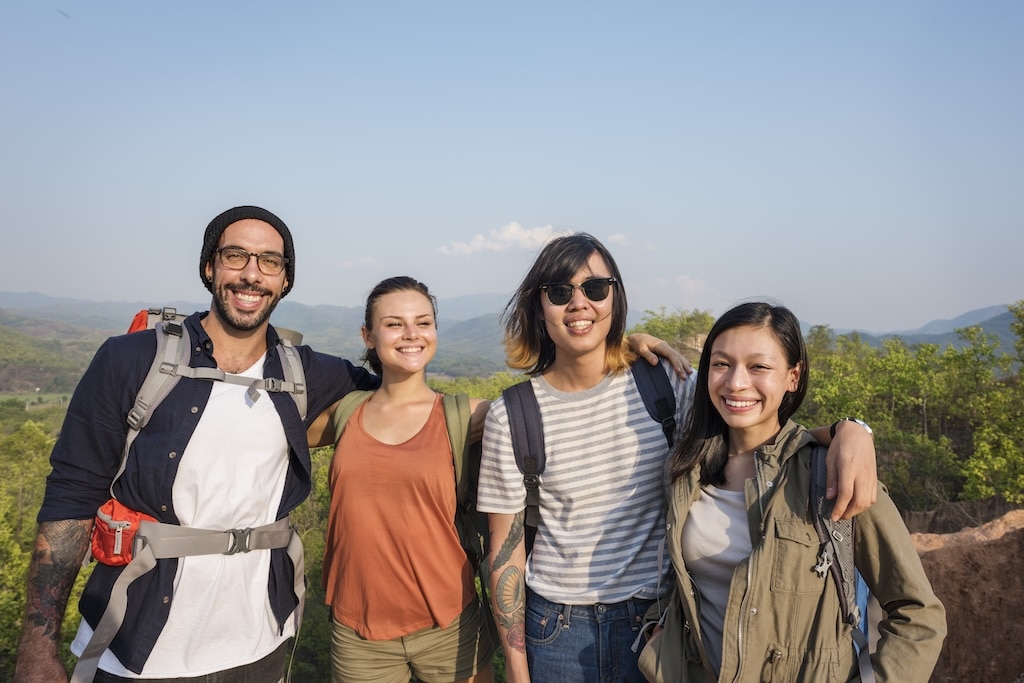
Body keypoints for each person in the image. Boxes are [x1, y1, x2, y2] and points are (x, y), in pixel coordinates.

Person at [476, 234, 879, 683]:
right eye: (558, 292)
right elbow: (504, 552)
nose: (578, 303)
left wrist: (849, 431)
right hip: (556, 632)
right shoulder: (512, 415)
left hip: (656, 626)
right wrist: (515, 669)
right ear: (539, 307)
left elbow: (759, 434)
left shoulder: (667, 384)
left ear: (616, 297)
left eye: (594, 288)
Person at [14, 206, 380, 683]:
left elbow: (395, 397)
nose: (252, 274)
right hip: (133, 648)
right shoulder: (130, 360)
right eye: (236, 256)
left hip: (261, 643)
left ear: (286, 280)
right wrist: (37, 649)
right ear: (209, 267)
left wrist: (492, 414)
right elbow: (71, 497)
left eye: (270, 262)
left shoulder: (306, 371)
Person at [642, 301, 945, 682]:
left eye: (758, 367)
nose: (736, 382)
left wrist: (855, 429)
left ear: (793, 377)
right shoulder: (687, 471)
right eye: (721, 364)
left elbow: (919, 613)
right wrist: (660, 638)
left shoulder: (834, 477)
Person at [305, 276, 496, 683]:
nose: (412, 334)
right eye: (394, 324)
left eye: (423, 322)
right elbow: (265, 431)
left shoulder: (465, 415)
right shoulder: (346, 413)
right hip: (358, 631)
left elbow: (550, 405)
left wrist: (620, 350)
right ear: (368, 336)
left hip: (450, 624)